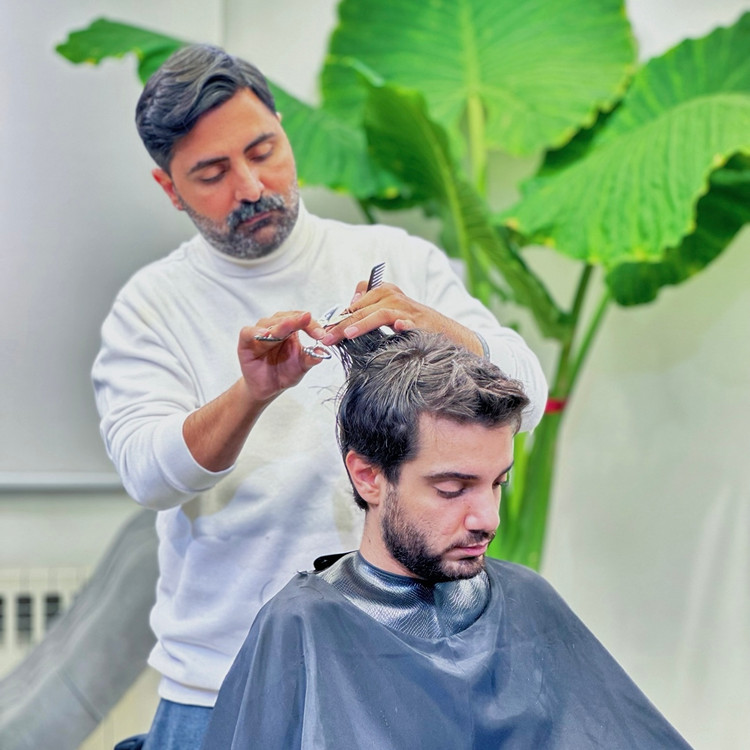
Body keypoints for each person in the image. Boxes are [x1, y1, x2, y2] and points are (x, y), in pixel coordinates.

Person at [93, 44, 547, 749]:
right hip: (220, 685)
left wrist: (439, 327)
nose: (251, 186)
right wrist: (252, 394)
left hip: (401, 672)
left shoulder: (400, 259)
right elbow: (148, 474)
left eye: (263, 151)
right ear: (169, 187)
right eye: (212, 173)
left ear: (283, 130)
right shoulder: (151, 306)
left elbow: (527, 392)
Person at [202, 330, 692, 750]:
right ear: (369, 477)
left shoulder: (526, 597)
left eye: (498, 482)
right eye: (453, 488)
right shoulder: (303, 627)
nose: (487, 519)